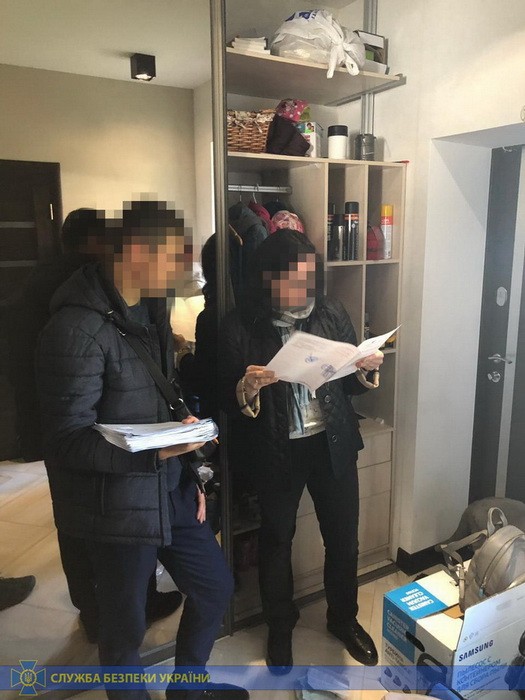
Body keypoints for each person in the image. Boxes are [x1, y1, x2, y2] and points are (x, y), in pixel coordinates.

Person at [36, 200, 247, 700]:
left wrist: (190, 468)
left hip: (170, 490)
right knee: (123, 630)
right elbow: (66, 441)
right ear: (133, 252)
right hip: (115, 507)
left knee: (215, 587)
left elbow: (163, 400)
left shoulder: (151, 311)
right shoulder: (74, 329)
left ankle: (187, 690)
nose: (182, 271)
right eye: (174, 258)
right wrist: (156, 454)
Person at [4, 208, 182, 643]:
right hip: (83, 419)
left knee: (87, 521)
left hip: (66, 414)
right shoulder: (75, 295)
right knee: (89, 518)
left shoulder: (53, 282)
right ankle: (107, 610)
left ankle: (101, 608)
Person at [219, 228, 383, 673]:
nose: (301, 288)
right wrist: (246, 387)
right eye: (290, 279)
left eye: (307, 278)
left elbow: (349, 387)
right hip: (277, 451)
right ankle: (280, 626)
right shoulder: (240, 325)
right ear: (267, 278)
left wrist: (365, 368)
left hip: (332, 444)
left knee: (343, 539)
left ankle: (343, 619)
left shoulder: (330, 312)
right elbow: (225, 402)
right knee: (276, 542)